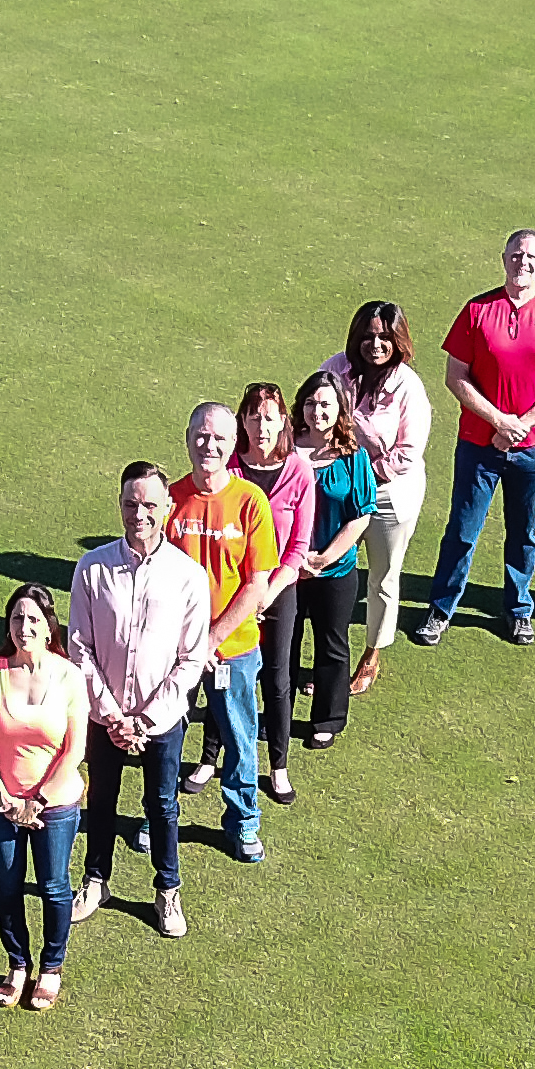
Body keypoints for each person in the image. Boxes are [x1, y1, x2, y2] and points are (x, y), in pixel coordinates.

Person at [416, 231, 535, 649]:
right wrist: (498, 420)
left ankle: (518, 610)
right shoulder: (476, 311)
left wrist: (521, 424)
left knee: (524, 532)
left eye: (531, 257)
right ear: (504, 259)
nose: (522, 263)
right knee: (462, 529)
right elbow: (455, 376)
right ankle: (441, 608)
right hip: (478, 444)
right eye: (515, 255)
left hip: (533, 449)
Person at [66, 462, 215, 943]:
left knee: (163, 805)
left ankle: (167, 887)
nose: (140, 514)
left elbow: (192, 658)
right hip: (104, 715)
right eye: (131, 504)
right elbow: (79, 647)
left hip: (163, 718)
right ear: (120, 505)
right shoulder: (92, 568)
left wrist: (146, 718)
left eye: (150, 504)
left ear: (168, 508)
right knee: (102, 799)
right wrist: (111, 713)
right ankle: (96, 880)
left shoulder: (189, 576)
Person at [166, 400, 282, 868]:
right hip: (173, 650)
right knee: (166, 738)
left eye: (218, 438)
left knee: (239, 736)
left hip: (231, 650)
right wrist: (187, 643)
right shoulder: (169, 499)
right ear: (188, 437)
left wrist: (211, 640)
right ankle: (160, 819)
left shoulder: (250, 501)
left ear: (234, 444)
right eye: (200, 435)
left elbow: (257, 583)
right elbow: (156, 578)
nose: (208, 445)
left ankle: (244, 822)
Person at [0, 585, 87, 1010]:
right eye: (18, 618)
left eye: (34, 619)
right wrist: (5, 798)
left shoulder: (69, 675)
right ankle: (17, 965)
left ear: (49, 624)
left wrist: (36, 802)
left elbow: (75, 749)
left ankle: (50, 969)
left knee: (54, 886)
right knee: (6, 886)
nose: (25, 627)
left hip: (53, 805)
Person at [320, 300, 435, 690]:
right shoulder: (336, 369)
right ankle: (329, 661)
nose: (376, 344)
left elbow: (406, 452)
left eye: (385, 337)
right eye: (368, 336)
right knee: (330, 569)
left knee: (383, 578)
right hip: (341, 491)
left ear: (398, 340)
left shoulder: (409, 386)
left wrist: (362, 475)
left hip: (390, 495)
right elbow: (314, 413)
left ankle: (373, 653)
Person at [284, 370, 381, 754]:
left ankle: (327, 719)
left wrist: (323, 558)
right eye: (310, 403)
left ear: (340, 408)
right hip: (288, 570)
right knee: (284, 645)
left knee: (332, 646)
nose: (317, 411)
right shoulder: (285, 449)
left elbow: (361, 515)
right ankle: (278, 709)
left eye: (325, 404)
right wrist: (294, 559)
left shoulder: (353, 456)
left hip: (333, 570)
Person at [230, 380, 317, 803]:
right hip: (230, 589)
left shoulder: (298, 470)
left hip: (278, 590)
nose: (261, 426)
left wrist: (270, 589)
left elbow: (299, 546)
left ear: (283, 420)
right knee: (224, 674)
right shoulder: (229, 467)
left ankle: (278, 765)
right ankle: (213, 757)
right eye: (253, 416)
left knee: (277, 679)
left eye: (269, 417)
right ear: (241, 421)